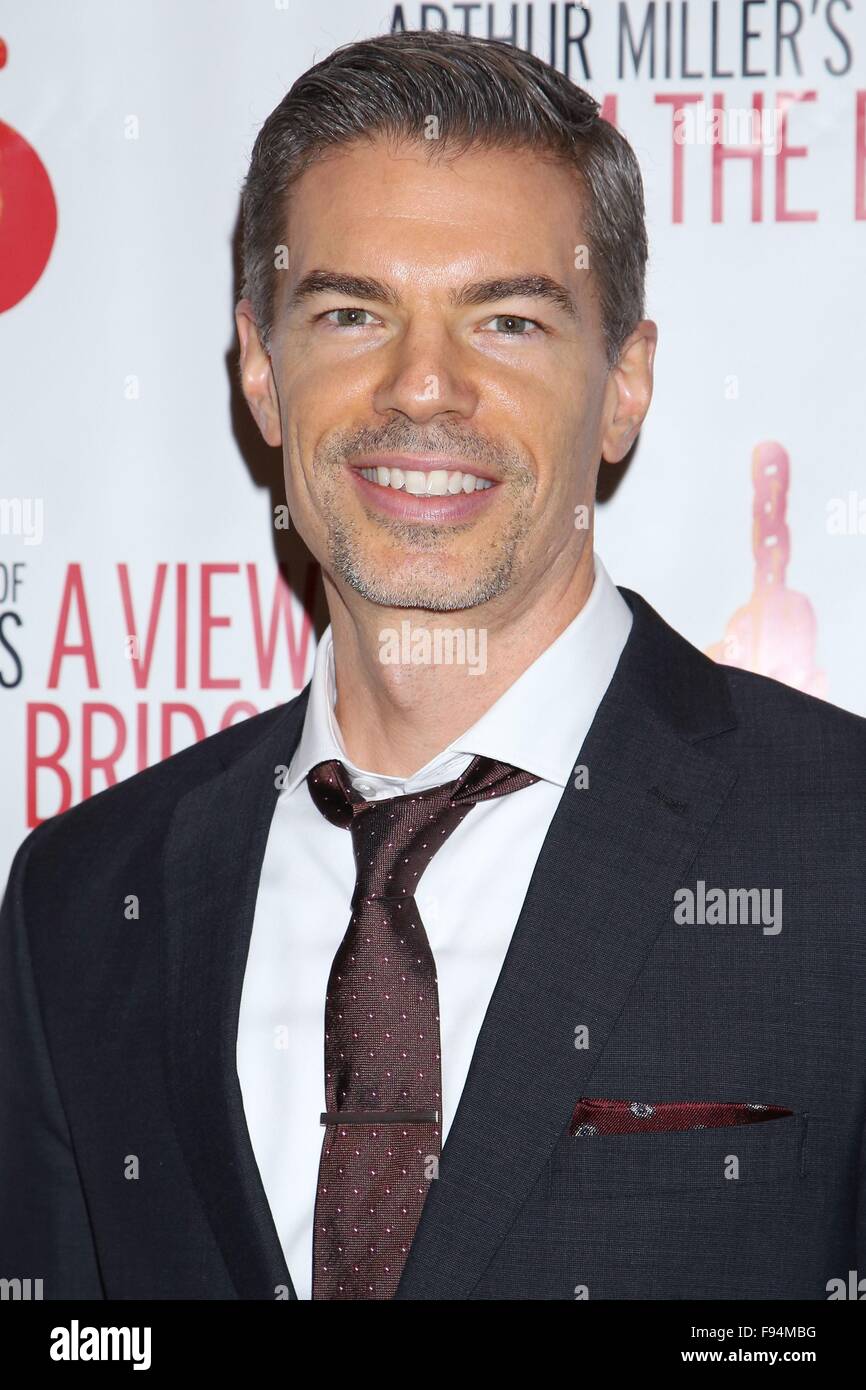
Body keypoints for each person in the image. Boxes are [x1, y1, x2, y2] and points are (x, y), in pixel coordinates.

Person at [1, 29, 864, 1302]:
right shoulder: (83, 899)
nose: (423, 388)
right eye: (352, 312)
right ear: (259, 367)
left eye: (506, 320)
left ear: (622, 383)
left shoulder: (840, 845)